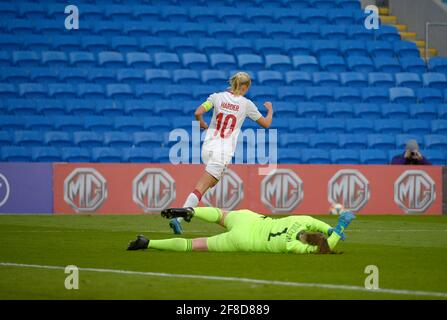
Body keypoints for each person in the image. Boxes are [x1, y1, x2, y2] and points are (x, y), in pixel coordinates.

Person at [170, 72, 274, 234]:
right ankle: (179, 217)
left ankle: (189, 209)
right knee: (202, 187)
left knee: (210, 184)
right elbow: (266, 124)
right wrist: (270, 110)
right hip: (222, 151)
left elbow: (198, 112)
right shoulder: (246, 104)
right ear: (245, 87)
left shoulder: (216, 97)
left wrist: (201, 123)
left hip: (208, 147)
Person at [127, 207, 356, 254]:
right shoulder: (294, 246)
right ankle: (148, 243)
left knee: (219, 214)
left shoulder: (301, 219)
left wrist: (335, 226)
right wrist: (337, 232)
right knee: (193, 245)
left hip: (251, 218)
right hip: (243, 239)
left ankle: (191, 211)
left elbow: (315, 222)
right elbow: (327, 246)